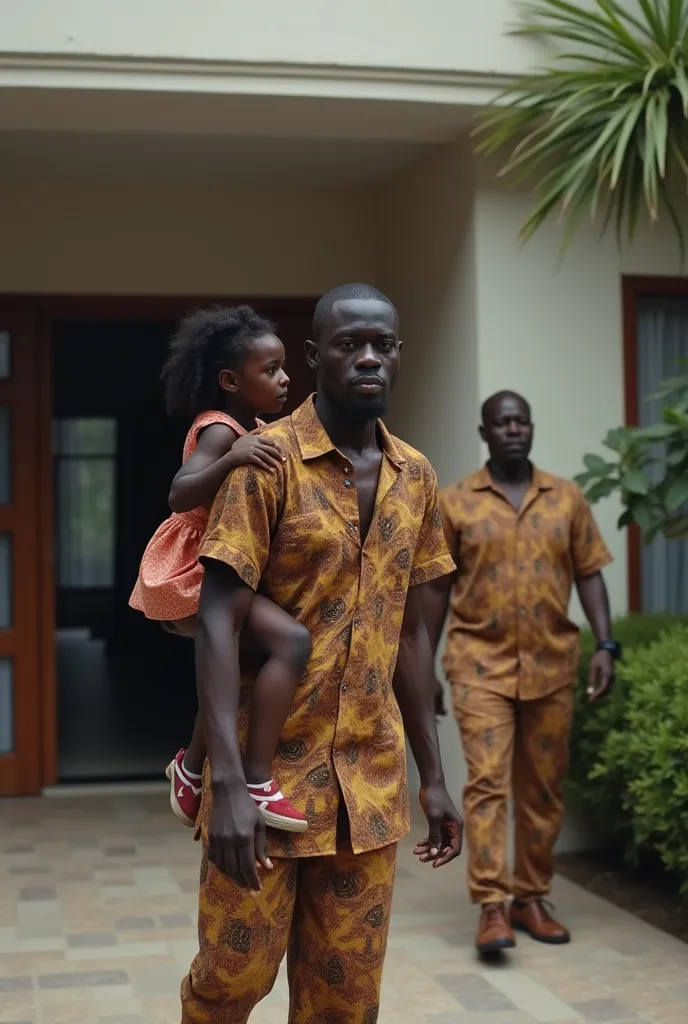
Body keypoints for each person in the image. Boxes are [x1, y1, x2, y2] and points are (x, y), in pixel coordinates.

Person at [180, 283, 463, 1023]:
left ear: (398, 357)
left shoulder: (418, 478)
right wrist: (232, 785)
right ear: (314, 357)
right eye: (348, 344)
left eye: (382, 345)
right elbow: (217, 619)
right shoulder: (264, 461)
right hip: (265, 787)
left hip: (367, 789)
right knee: (230, 982)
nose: (367, 357)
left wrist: (434, 777)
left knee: (345, 999)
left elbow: (408, 633)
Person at [423, 391, 617, 955]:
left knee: (543, 787)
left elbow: (590, 573)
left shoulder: (567, 498)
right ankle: (492, 905)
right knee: (487, 784)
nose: (513, 430)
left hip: (554, 665)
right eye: (501, 423)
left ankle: (531, 897)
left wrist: (605, 643)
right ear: (484, 433)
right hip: (478, 665)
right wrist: (427, 667)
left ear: (531, 429)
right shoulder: (455, 502)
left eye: (521, 421)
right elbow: (436, 588)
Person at [130, 305, 311, 834]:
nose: (286, 379)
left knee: (231, 671)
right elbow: (180, 492)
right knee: (292, 643)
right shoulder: (220, 428)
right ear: (231, 380)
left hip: (220, 571)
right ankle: (255, 778)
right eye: (271, 369)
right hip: (196, 571)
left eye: (283, 367)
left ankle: (188, 768)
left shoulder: (247, 427)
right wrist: (232, 456)